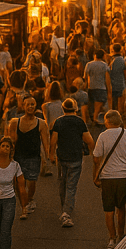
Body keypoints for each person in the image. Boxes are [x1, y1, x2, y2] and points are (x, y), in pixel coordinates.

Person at [93, 111, 126, 249]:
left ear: (107, 122)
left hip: (107, 178)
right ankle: (121, 234)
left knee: (108, 210)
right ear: (120, 121)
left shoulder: (102, 136)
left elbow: (96, 159)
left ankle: (112, 238)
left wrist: (95, 175)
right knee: (121, 207)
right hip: (124, 177)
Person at [48, 98, 94, 229]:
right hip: (75, 158)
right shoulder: (79, 122)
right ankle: (66, 213)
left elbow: (54, 140)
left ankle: (64, 207)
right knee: (71, 186)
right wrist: (93, 151)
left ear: (63, 109)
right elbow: (89, 140)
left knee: (62, 183)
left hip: (62, 158)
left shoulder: (59, 122)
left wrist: (51, 154)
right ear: (76, 109)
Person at [4, 96, 49, 221]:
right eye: (28, 104)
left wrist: (48, 157)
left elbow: (45, 142)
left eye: (33, 104)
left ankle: (29, 199)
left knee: (31, 182)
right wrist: (7, 155)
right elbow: (10, 141)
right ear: (23, 106)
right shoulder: (15, 122)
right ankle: (24, 207)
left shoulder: (41, 123)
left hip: (34, 157)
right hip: (19, 157)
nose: (30, 107)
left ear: (36, 106)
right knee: (19, 184)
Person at [84, 49, 111, 126]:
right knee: (98, 104)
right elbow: (107, 78)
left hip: (91, 87)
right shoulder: (104, 65)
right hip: (101, 87)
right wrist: (109, 89)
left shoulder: (89, 64)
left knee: (92, 104)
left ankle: (93, 117)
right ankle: (95, 118)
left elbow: (85, 76)